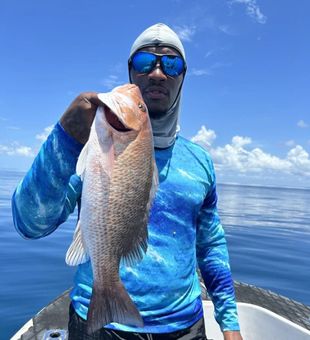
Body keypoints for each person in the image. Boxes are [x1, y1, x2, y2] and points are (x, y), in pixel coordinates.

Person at [12, 23, 243, 340]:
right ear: (130, 72)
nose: (158, 73)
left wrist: (229, 323)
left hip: (183, 326)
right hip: (98, 323)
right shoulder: (92, 147)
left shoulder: (200, 161)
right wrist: (64, 140)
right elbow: (30, 223)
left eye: (171, 64)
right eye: (145, 62)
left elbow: (212, 246)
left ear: (183, 77)